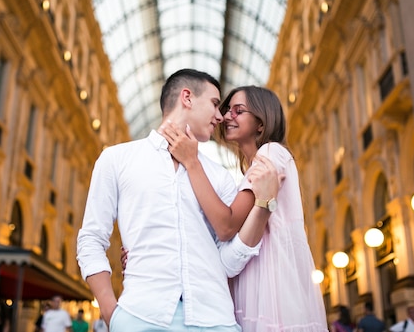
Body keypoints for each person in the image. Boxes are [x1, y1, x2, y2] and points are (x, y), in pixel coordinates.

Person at [76, 69, 279, 331]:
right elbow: (91, 238)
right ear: (187, 98)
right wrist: (111, 312)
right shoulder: (116, 160)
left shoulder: (220, 177)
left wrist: (262, 208)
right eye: (215, 104)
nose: (220, 116)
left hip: (216, 321)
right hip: (140, 316)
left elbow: (227, 261)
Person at [160, 85, 328, 331]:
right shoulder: (249, 173)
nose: (227, 116)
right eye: (227, 110)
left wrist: (191, 162)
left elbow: (225, 225)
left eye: (238, 111)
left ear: (261, 123)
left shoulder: (272, 153)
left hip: (273, 292)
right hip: (256, 288)